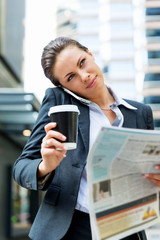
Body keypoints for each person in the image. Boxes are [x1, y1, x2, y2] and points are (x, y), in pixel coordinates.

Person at [13, 37, 160, 240]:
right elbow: (21, 167)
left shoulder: (140, 112)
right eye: (70, 77)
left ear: (90, 54)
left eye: (82, 62)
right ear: (64, 86)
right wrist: (45, 166)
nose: (84, 76)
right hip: (71, 227)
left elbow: (150, 171)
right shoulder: (59, 102)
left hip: (125, 227)